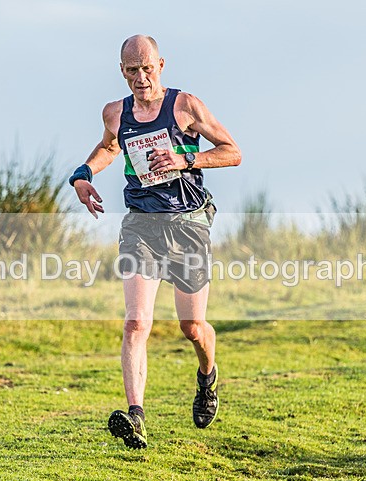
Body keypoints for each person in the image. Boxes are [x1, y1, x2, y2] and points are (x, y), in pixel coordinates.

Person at [68, 35, 241, 449]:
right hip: (141, 225)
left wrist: (187, 159)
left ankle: (207, 377)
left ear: (161, 65)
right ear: (122, 71)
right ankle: (136, 417)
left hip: (188, 223)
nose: (141, 78)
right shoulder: (115, 112)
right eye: (132, 70)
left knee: (192, 326)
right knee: (136, 322)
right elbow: (110, 148)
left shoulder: (185, 106)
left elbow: (232, 152)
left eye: (147, 68)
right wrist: (83, 174)